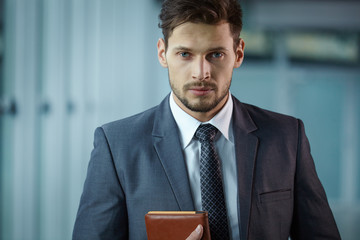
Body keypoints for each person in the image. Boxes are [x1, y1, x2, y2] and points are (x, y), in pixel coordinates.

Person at [73, 0, 341, 239]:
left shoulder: (286, 137)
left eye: (215, 54)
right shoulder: (116, 146)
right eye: (185, 54)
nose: (201, 73)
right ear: (162, 53)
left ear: (238, 53)